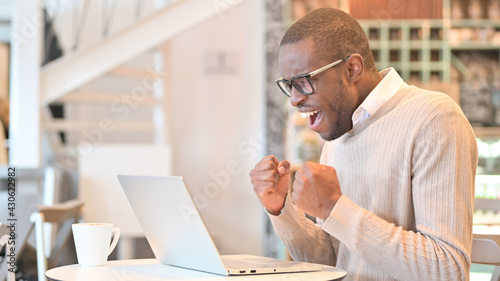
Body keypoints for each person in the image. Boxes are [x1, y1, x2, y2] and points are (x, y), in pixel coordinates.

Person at [249, 8, 478, 281]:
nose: (294, 100)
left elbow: (447, 270)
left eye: (304, 81)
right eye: (289, 85)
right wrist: (282, 210)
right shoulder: (339, 131)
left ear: (352, 69)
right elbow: (333, 262)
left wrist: (335, 208)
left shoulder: (434, 118)